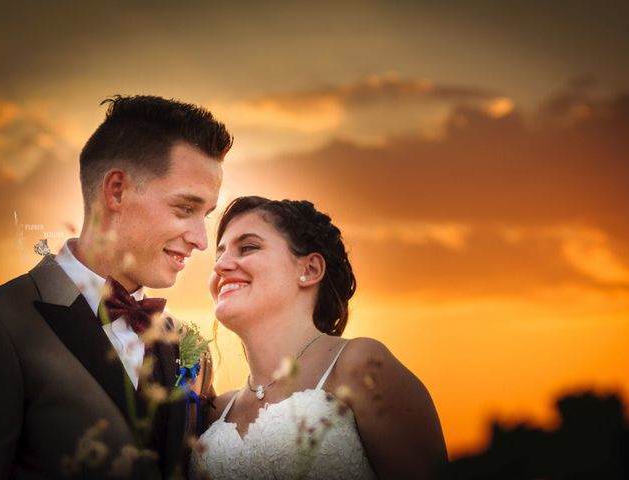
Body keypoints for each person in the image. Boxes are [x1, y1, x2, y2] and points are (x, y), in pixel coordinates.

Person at [0, 95, 232, 479]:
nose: (202, 240)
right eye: (185, 209)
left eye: (205, 215)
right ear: (117, 190)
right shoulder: (4, 321)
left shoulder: (189, 348)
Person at [190, 196, 447, 480]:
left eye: (247, 247)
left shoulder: (359, 367)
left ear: (309, 270)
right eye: (219, 255)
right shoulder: (215, 412)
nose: (220, 266)